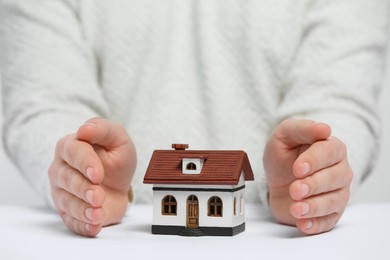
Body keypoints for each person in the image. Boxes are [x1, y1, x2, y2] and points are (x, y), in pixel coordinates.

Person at [0, 0, 388, 237]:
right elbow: (42, 96)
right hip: (111, 234)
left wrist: (313, 168)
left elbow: (342, 96)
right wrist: (81, 168)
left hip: (277, 234)